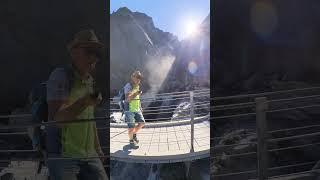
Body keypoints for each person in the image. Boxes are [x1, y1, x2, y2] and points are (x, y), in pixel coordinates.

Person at [46, 29, 108, 180]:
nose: (93, 58)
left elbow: (90, 118)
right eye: (88, 51)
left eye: (96, 54)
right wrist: (85, 101)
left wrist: (98, 148)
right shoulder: (61, 76)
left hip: (89, 154)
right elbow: (56, 120)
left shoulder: (89, 81)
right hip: (63, 156)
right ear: (74, 53)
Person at [124, 71, 145, 147]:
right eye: (137, 77)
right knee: (131, 127)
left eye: (139, 78)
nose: (139, 79)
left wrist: (140, 106)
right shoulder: (128, 86)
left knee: (142, 123)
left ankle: (134, 134)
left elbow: (137, 98)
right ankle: (131, 141)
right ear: (132, 77)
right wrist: (136, 93)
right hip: (129, 109)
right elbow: (127, 99)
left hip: (136, 108)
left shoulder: (137, 85)